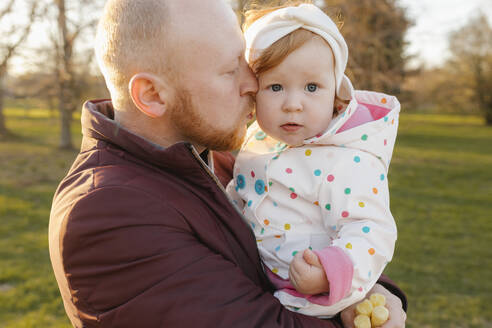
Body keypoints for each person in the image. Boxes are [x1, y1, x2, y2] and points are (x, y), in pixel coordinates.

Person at [48, 0, 407, 327]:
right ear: (152, 94)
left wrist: (370, 292)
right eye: (229, 69)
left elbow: (301, 227)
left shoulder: (220, 156)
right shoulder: (108, 215)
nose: (253, 82)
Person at [226, 2, 400, 319]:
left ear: (335, 93)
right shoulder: (258, 140)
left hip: (311, 299)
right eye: (275, 86)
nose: (293, 104)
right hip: (256, 279)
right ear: (253, 91)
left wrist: (328, 272)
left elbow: (370, 230)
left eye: (311, 87)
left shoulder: (349, 161)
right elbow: (242, 192)